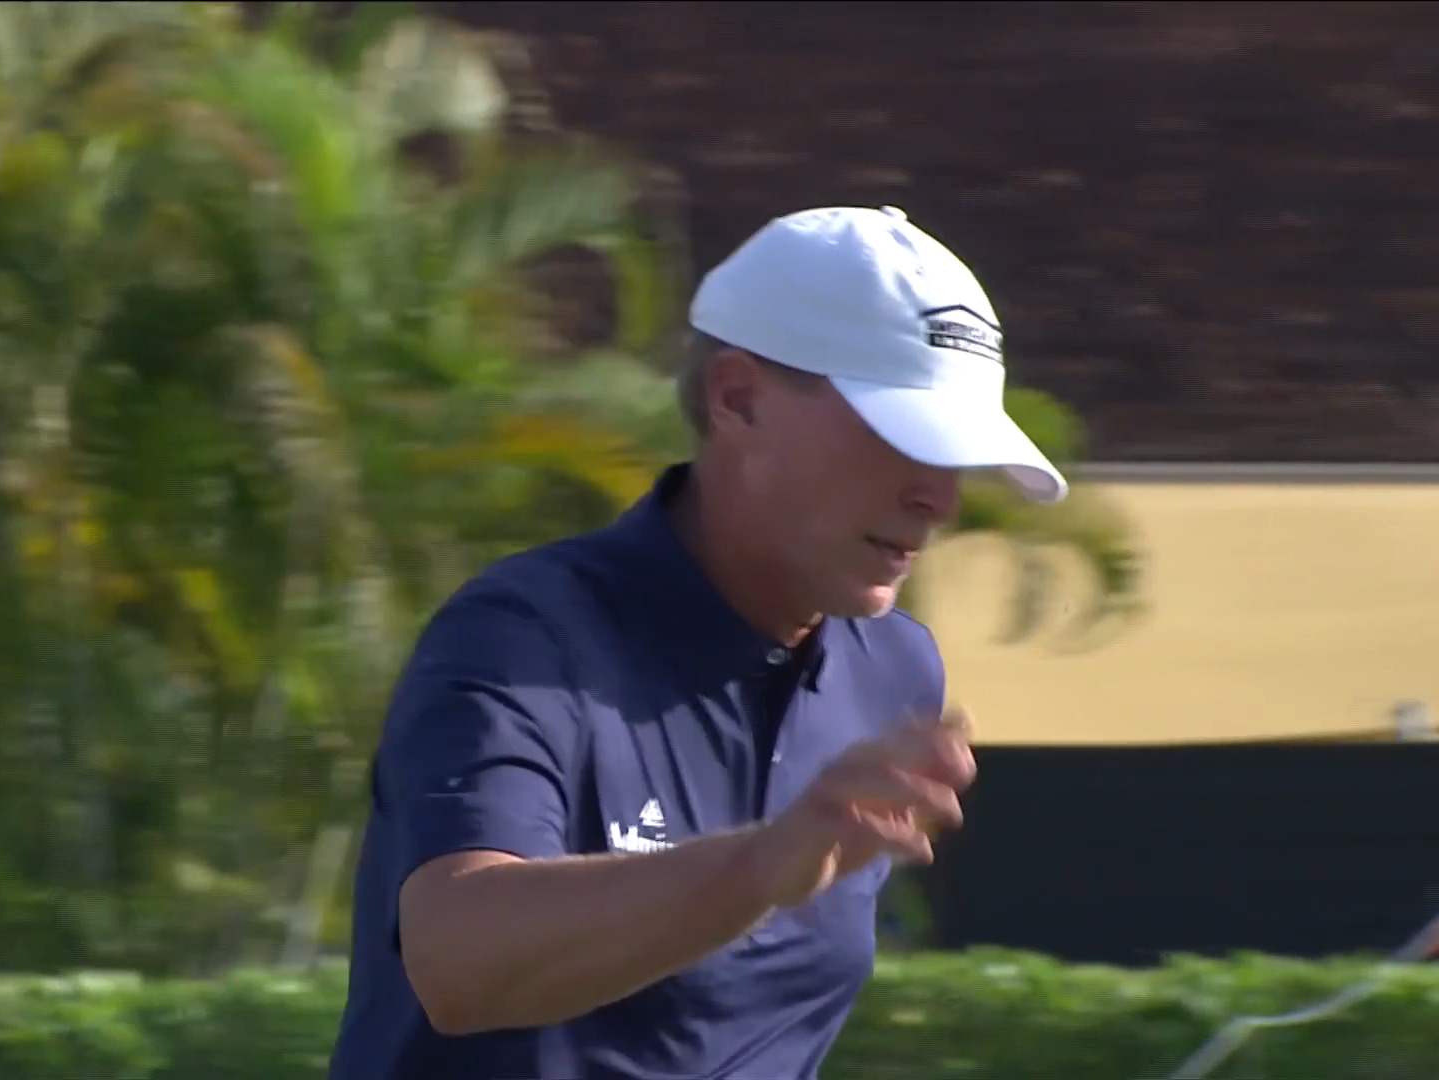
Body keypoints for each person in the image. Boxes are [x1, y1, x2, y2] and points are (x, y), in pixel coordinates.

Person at [327, 205, 1069, 1080]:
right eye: (902, 436)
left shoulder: (897, 672)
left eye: (958, 457)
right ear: (738, 399)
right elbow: (458, 963)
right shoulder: (523, 635)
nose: (938, 498)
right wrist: (761, 865)